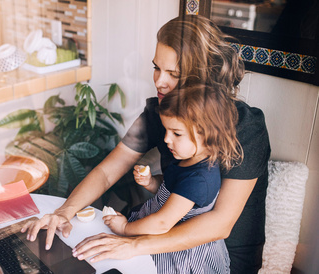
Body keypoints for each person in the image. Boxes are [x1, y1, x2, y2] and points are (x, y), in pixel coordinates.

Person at [21, 15, 271, 273]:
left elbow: (220, 223)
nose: (159, 81)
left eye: (173, 74)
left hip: (220, 256)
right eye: (156, 67)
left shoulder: (246, 128)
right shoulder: (159, 112)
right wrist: (65, 211)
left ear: (203, 78)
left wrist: (133, 244)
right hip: (158, 238)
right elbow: (108, 172)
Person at [104, 85, 242, 272]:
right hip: (158, 233)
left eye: (177, 133)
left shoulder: (199, 179)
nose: (167, 139)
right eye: (166, 130)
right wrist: (152, 182)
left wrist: (125, 228)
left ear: (208, 135)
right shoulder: (186, 159)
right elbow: (170, 191)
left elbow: (162, 223)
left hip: (180, 254)